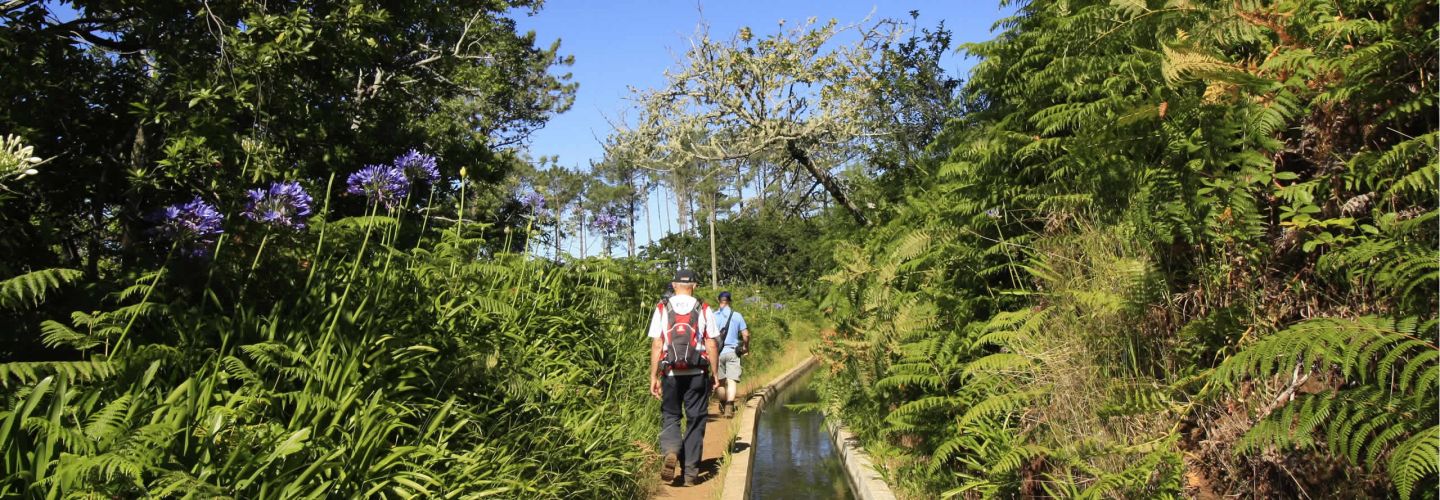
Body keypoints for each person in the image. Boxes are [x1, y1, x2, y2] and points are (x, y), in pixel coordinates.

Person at [648, 270, 720, 486]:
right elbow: (712, 344)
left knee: (670, 415)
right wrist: (715, 374)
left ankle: (671, 450)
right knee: (695, 420)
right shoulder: (704, 308)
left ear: (673, 285)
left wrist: (654, 376)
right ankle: (689, 474)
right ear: (694, 286)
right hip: (697, 373)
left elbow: (657, 344)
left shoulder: (662, 308)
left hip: (670, 372)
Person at [713, 291, 750, 418]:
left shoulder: (713, 316)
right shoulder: (737, 315)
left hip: (717, 354)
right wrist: (745, 347)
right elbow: (746, 334)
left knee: (720, 382)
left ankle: (723, 404)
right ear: (730, 301)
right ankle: (729, 406)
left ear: (719, 301)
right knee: (732, 380)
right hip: (733, 352)